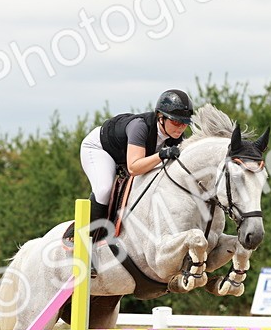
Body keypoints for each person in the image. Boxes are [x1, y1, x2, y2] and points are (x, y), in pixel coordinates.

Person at [78, 88, 194, 241]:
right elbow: (134, 167)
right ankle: (85, 237)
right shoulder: (140, 127)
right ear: (160, 117)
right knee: (104, 189)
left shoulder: (176, 136)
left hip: (124, 156)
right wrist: (161, 155)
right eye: (175, 121)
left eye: (185, 123)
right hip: (100, 149)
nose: (180, 127)